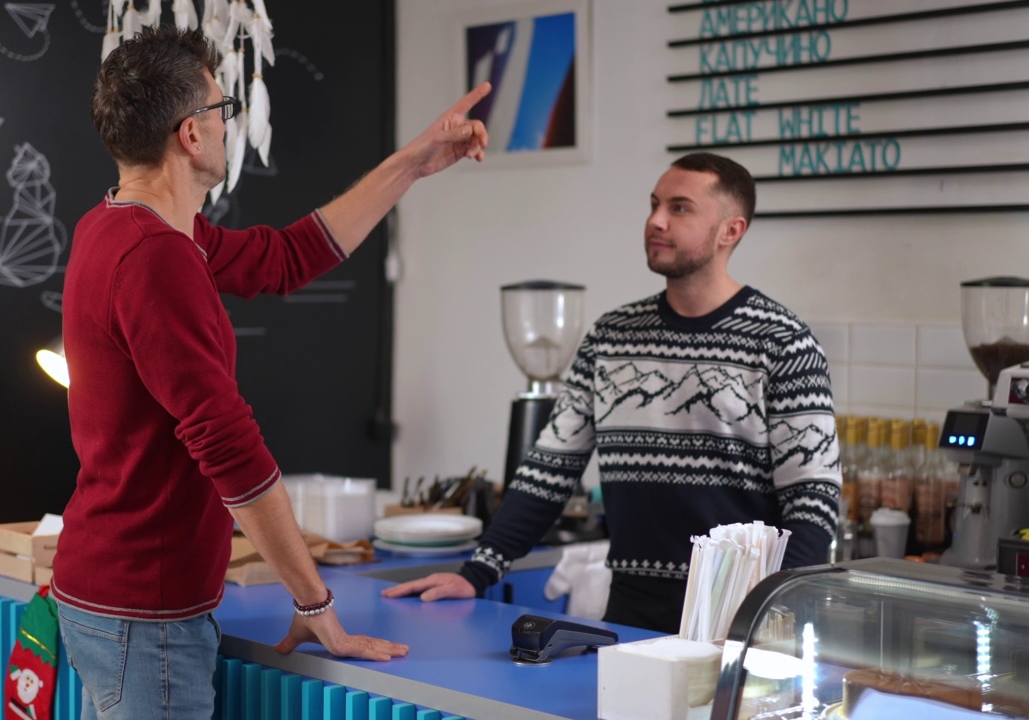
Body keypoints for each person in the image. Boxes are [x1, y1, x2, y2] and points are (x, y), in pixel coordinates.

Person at [50, 26, 489, 718]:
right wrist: (314, 599)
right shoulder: (155, 258)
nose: (229, 126)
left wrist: (411, 163)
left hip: (114, 592)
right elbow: (231, 451)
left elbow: (286, 256)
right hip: (146, 609)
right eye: (223, 110)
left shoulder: (121, 228)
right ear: (191, 133)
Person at [383, 152, 841, 634]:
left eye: (680, 208)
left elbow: (812, 500)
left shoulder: (783, 342)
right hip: (630, 616)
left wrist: (771, 614)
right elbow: (548, 470)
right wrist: (478, 572)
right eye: (654, 204)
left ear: (731, 230)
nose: (656, 221)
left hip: (741, 620)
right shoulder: (611, 336)